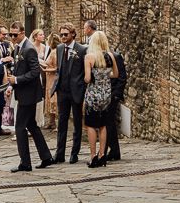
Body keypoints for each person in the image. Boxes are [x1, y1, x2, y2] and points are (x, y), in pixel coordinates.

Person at [7, 21, 54, 172]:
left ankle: (25, 163)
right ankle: (46, 157)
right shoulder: (17, 48)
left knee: (19, 127)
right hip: (22, 92)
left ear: (22, 33)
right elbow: (17, 70)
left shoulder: (29, 49)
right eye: (11, 34)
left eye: (15, 34)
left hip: (29, 94)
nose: (12, 37)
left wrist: (17, 80)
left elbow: (35, 72)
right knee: (31, 125)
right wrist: (11, 85)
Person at [52, 22, 87, 164]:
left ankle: (74, 153)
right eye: (61, 35)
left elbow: (85, 71)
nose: (63, 37)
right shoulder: (59, 48)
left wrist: (82, 88)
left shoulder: (81, 50)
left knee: (77, 122)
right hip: (62, 91)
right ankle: (59, 153)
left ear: (73, 34)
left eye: (66, 34)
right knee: (62, 122)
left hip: (76, 91)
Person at [83, 31, 118, 168]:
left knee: (91, 125)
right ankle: (102, 154)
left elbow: (87, 78)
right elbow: (115, 74)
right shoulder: (110, 56)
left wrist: (93, 77)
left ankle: (93, 156)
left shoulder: (89, 57)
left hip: (93, 94)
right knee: (103, 124)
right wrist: (105, 76)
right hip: (106, 94)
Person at [105, 48, 127, 161]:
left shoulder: (116, 56)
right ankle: (114, 150)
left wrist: (116, 94)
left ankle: (112, 150)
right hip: (103, 95)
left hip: (113, 95)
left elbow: (122, 77)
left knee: (109, 122)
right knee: (108, 123)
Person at [42, 33, 60, 129]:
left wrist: (46, 70)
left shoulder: (55, 52)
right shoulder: (52, 51)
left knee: (54, 100)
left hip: (53, 78)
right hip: (49, 79)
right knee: (50, 98)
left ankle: (56, 123)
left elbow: (57, 68)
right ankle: (51, 122)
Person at [30, 28, 47, 128]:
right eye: (40, 35)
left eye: (43, 34)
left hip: (43, 73)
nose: (43, 36)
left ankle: (39, 119)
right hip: (35, 72)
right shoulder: (31, 47)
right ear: (35, 37)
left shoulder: (44, 47)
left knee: (42, 95)